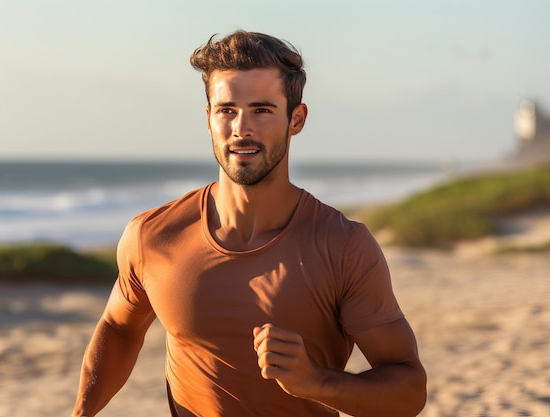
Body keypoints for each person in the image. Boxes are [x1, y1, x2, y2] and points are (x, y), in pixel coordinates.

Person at [72, 30, 427, 417]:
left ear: (297, 119)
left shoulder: (343, 246)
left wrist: (315, 382)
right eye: (227, 110)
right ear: (208, 119)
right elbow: (121, 329)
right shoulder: (153, 236)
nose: (242, 127)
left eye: (261, 110)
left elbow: (408, 391)